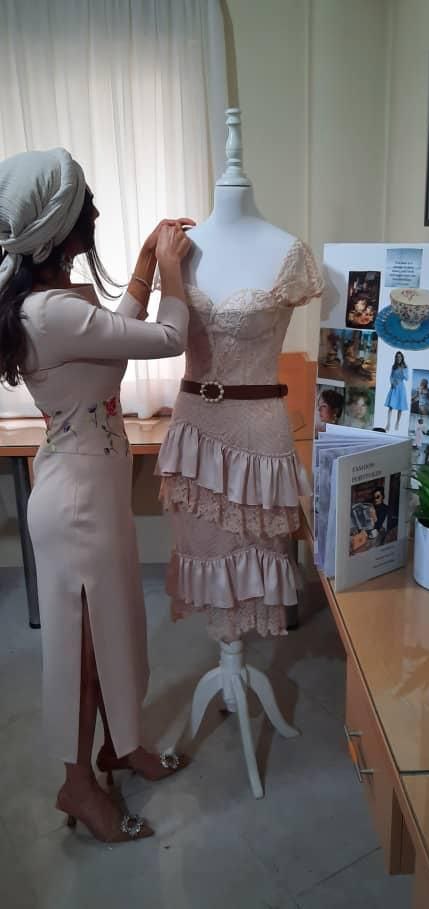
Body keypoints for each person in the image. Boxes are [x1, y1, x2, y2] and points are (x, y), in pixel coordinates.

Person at [0, 148, 193, 843]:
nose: (99, 211)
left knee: (117, 627)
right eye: (88, 204)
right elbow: (166, 337)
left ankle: (121, 745)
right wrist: (172, 271)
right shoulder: (50, 312)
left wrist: (143, 262)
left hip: (87, 492)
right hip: (77, 503)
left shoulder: (50, 307)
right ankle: (77, 782)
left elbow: (114, 340)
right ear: (63, 228)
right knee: (81, 650)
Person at [385, 351, 408, 431]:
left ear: (402, 358)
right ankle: (388, 423)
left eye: (400, 357)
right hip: (394, 387)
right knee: (390, 406)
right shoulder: (394, 366)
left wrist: (402, 370)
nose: (398, 358)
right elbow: (391, 376)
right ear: (395, 358)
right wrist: (392, 383)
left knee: (400, 407)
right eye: (397, 357)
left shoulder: (405, 367)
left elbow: (406, 378)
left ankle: (397, 423)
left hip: (401, 388)